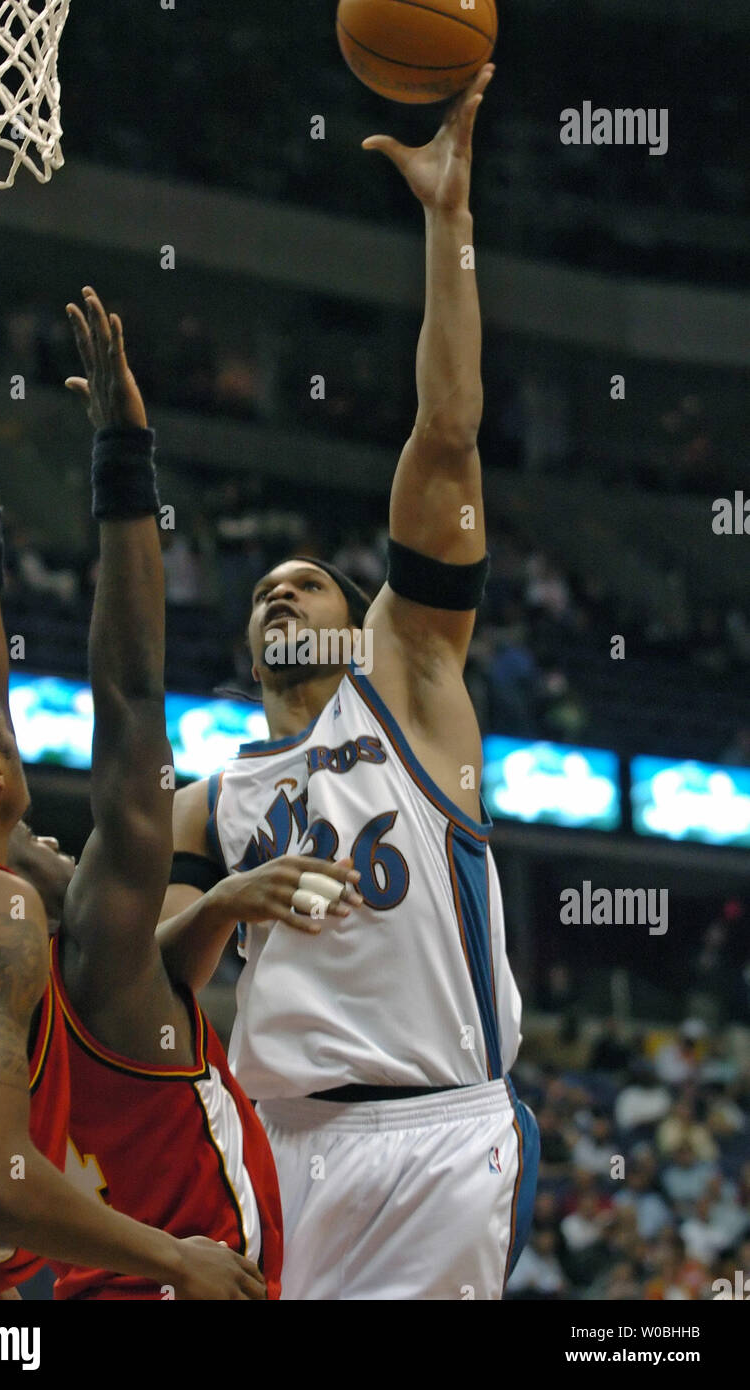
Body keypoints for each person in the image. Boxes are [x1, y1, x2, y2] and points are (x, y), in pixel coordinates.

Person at [163, 66, 539, 1300]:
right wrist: (228, 903)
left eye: (311, 581)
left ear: (359, 616)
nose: (284, 592)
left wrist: (448, 228)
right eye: (266, 589)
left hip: (433, 1136)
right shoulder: (206, 800)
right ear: (247, 646)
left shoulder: (411, 683)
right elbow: (139, 970)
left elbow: (447, 435)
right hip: (270, 1145)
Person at [0, 359, 266, 1301]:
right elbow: (131, 704)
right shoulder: (65, 942)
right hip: (160, 1276)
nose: (48, 845)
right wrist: (124, 465)